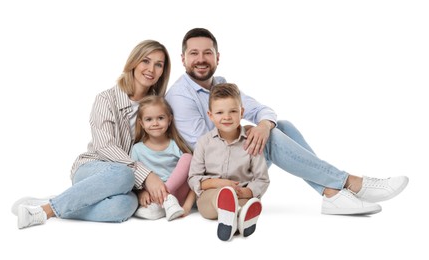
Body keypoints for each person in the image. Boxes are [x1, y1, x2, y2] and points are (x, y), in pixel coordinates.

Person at [165, 27, 409, 215]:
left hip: (236, 162)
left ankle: (331, 193)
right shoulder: (179, 94)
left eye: (207, 52)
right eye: (193, 53)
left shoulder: (221, 85)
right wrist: (252, 131)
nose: (201, 59)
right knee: (264, 138)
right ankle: (348, 183)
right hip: (212, 181)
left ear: (217, 57)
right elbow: (205, 146)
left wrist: (263, 125)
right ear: (183, 59)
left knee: (282, 126)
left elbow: (263, 110)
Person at [11, 39, 174, 229]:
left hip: (128, 182)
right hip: (94, 168)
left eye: (158, 65)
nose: (151, 69)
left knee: (124, 207)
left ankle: (60, 201)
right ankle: (44, 212)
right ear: (134, 62)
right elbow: (105, 147)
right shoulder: (106, 99)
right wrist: (146, 176)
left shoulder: (158, 107)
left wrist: (141, 188)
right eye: (146, 61)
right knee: (123, 174)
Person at [189, 83, 269, 241]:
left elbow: (262, 178)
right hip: (210, 198)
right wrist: (219, 184)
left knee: (247, 202)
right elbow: (193, 178)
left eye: (233, 111)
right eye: (219, 112)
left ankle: (240, 216)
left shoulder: (250, 141)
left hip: (242, 194)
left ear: (242, 112)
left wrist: (247, 192)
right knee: (218, 197)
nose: (226, 117)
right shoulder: (204, 142)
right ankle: (231, 212)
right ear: (210, 115)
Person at [131, 95, 196, 221]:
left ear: (169, 119)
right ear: (141, 123)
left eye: (160, 118)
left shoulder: (175, 145)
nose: (155, 123)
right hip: (152, 195)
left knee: (188, 157)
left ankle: (166, 199)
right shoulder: (137, 149)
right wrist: (140, 193)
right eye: (149, 119)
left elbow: (194, 177)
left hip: (177, 193)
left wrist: (187, 207)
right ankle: (163, 205)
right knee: (133, 169)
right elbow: (134, 177)